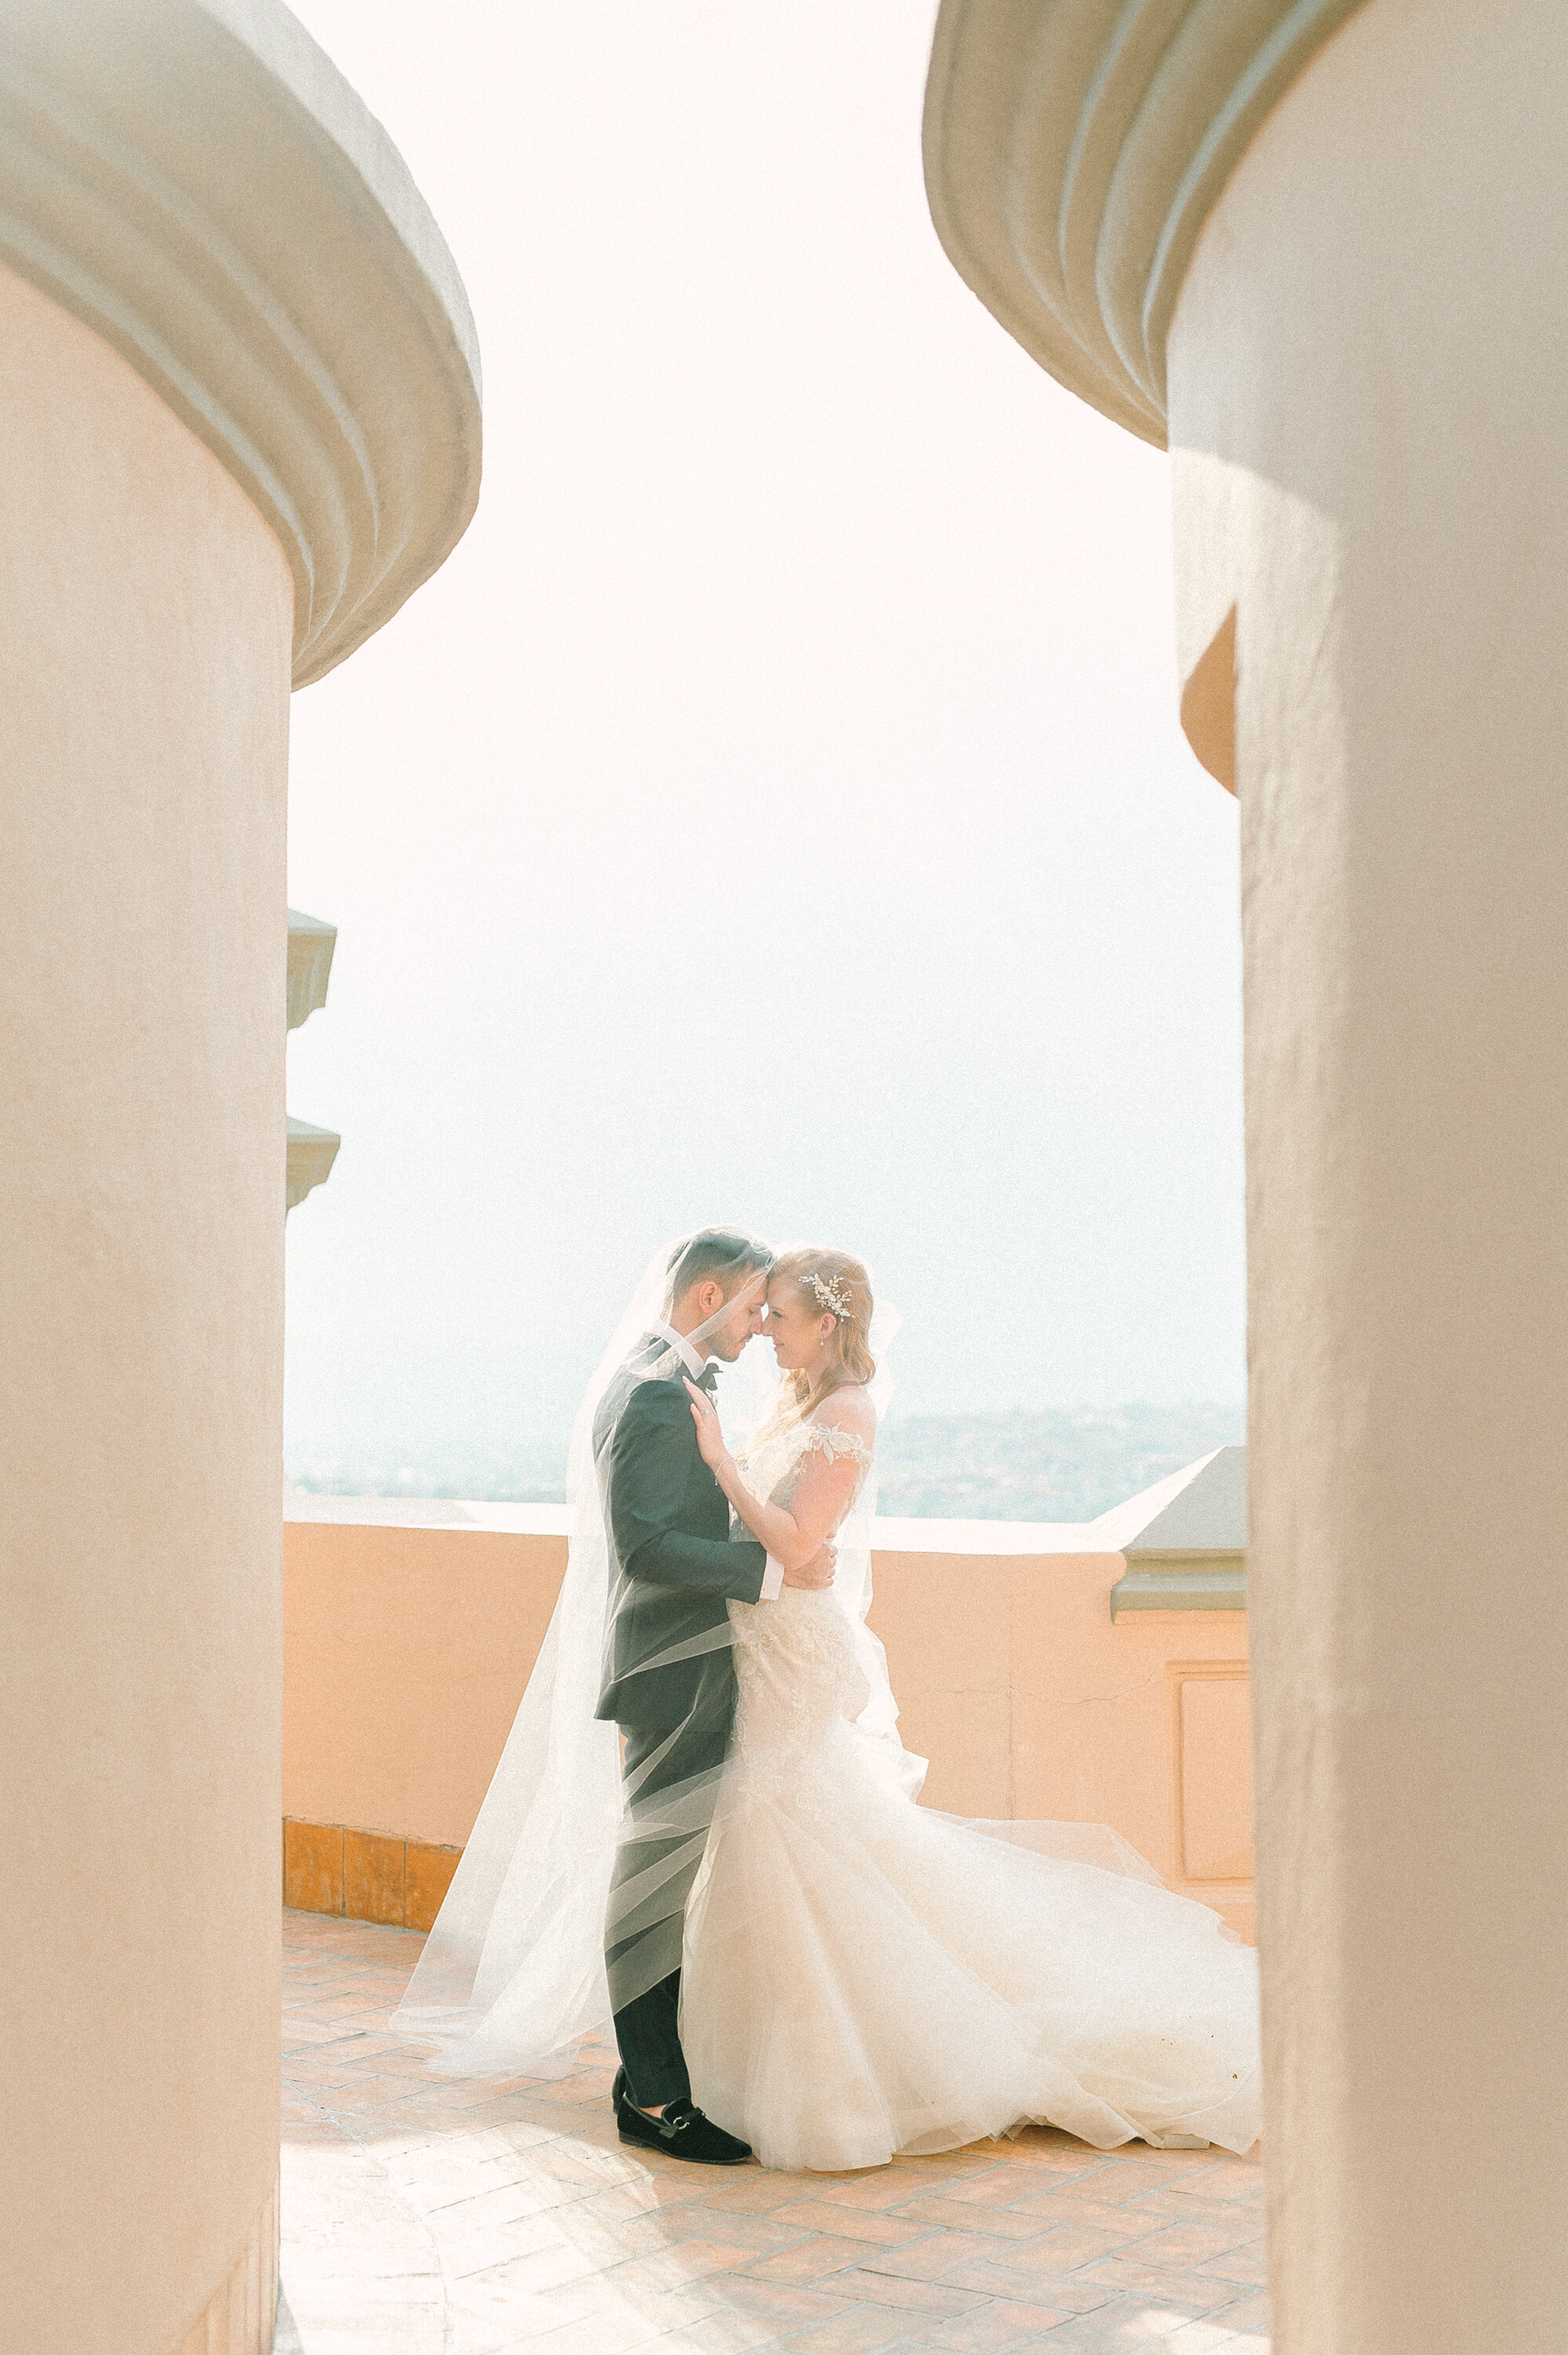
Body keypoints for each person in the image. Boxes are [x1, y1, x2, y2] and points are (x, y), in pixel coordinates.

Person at [676, 1246, 1262, 2173]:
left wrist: (718, 1462)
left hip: (792, 1652)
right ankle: (773, 2064)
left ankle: (840, 2079)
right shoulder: (798, 1404)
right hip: (769, 1644)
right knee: (787, 1837)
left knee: (791, 1829)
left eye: (778, 1319)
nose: (765, 1337)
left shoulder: (847, 1411)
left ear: (826, 1324)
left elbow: (797, 1542)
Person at [591, 1229, 837, 2163]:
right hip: (670, 1669)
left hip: (686, 1663)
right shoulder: (655, 1394)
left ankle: (643, 2076)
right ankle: (655, 2098)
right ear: (705, 1299)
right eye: (749, 1308)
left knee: (664, 1876)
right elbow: (646, 1546)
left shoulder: (669, 1382)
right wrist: (772, 1576)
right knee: (650, 1883)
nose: (757, 1326)